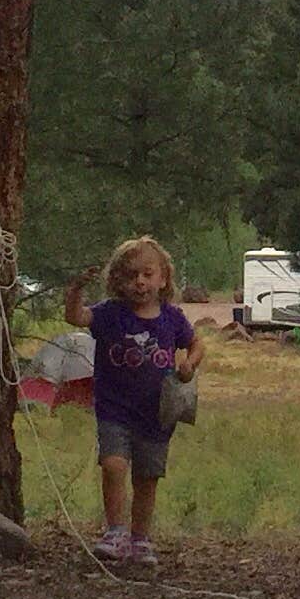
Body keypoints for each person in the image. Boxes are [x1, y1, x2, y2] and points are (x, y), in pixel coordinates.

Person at [64, 236, 204, 565]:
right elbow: (76, 318)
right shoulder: (110, 314)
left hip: (157, 413)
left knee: (147, 476)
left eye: (147, 274)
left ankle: (140, 539)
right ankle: (115, 532)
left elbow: (196, 344)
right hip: (114, 408)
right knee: (113, 465)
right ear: (118, 281)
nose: (139, 282)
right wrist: (75, 292)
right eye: (130, 276)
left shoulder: (171, 318)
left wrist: (189, 365)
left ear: (163, 278)